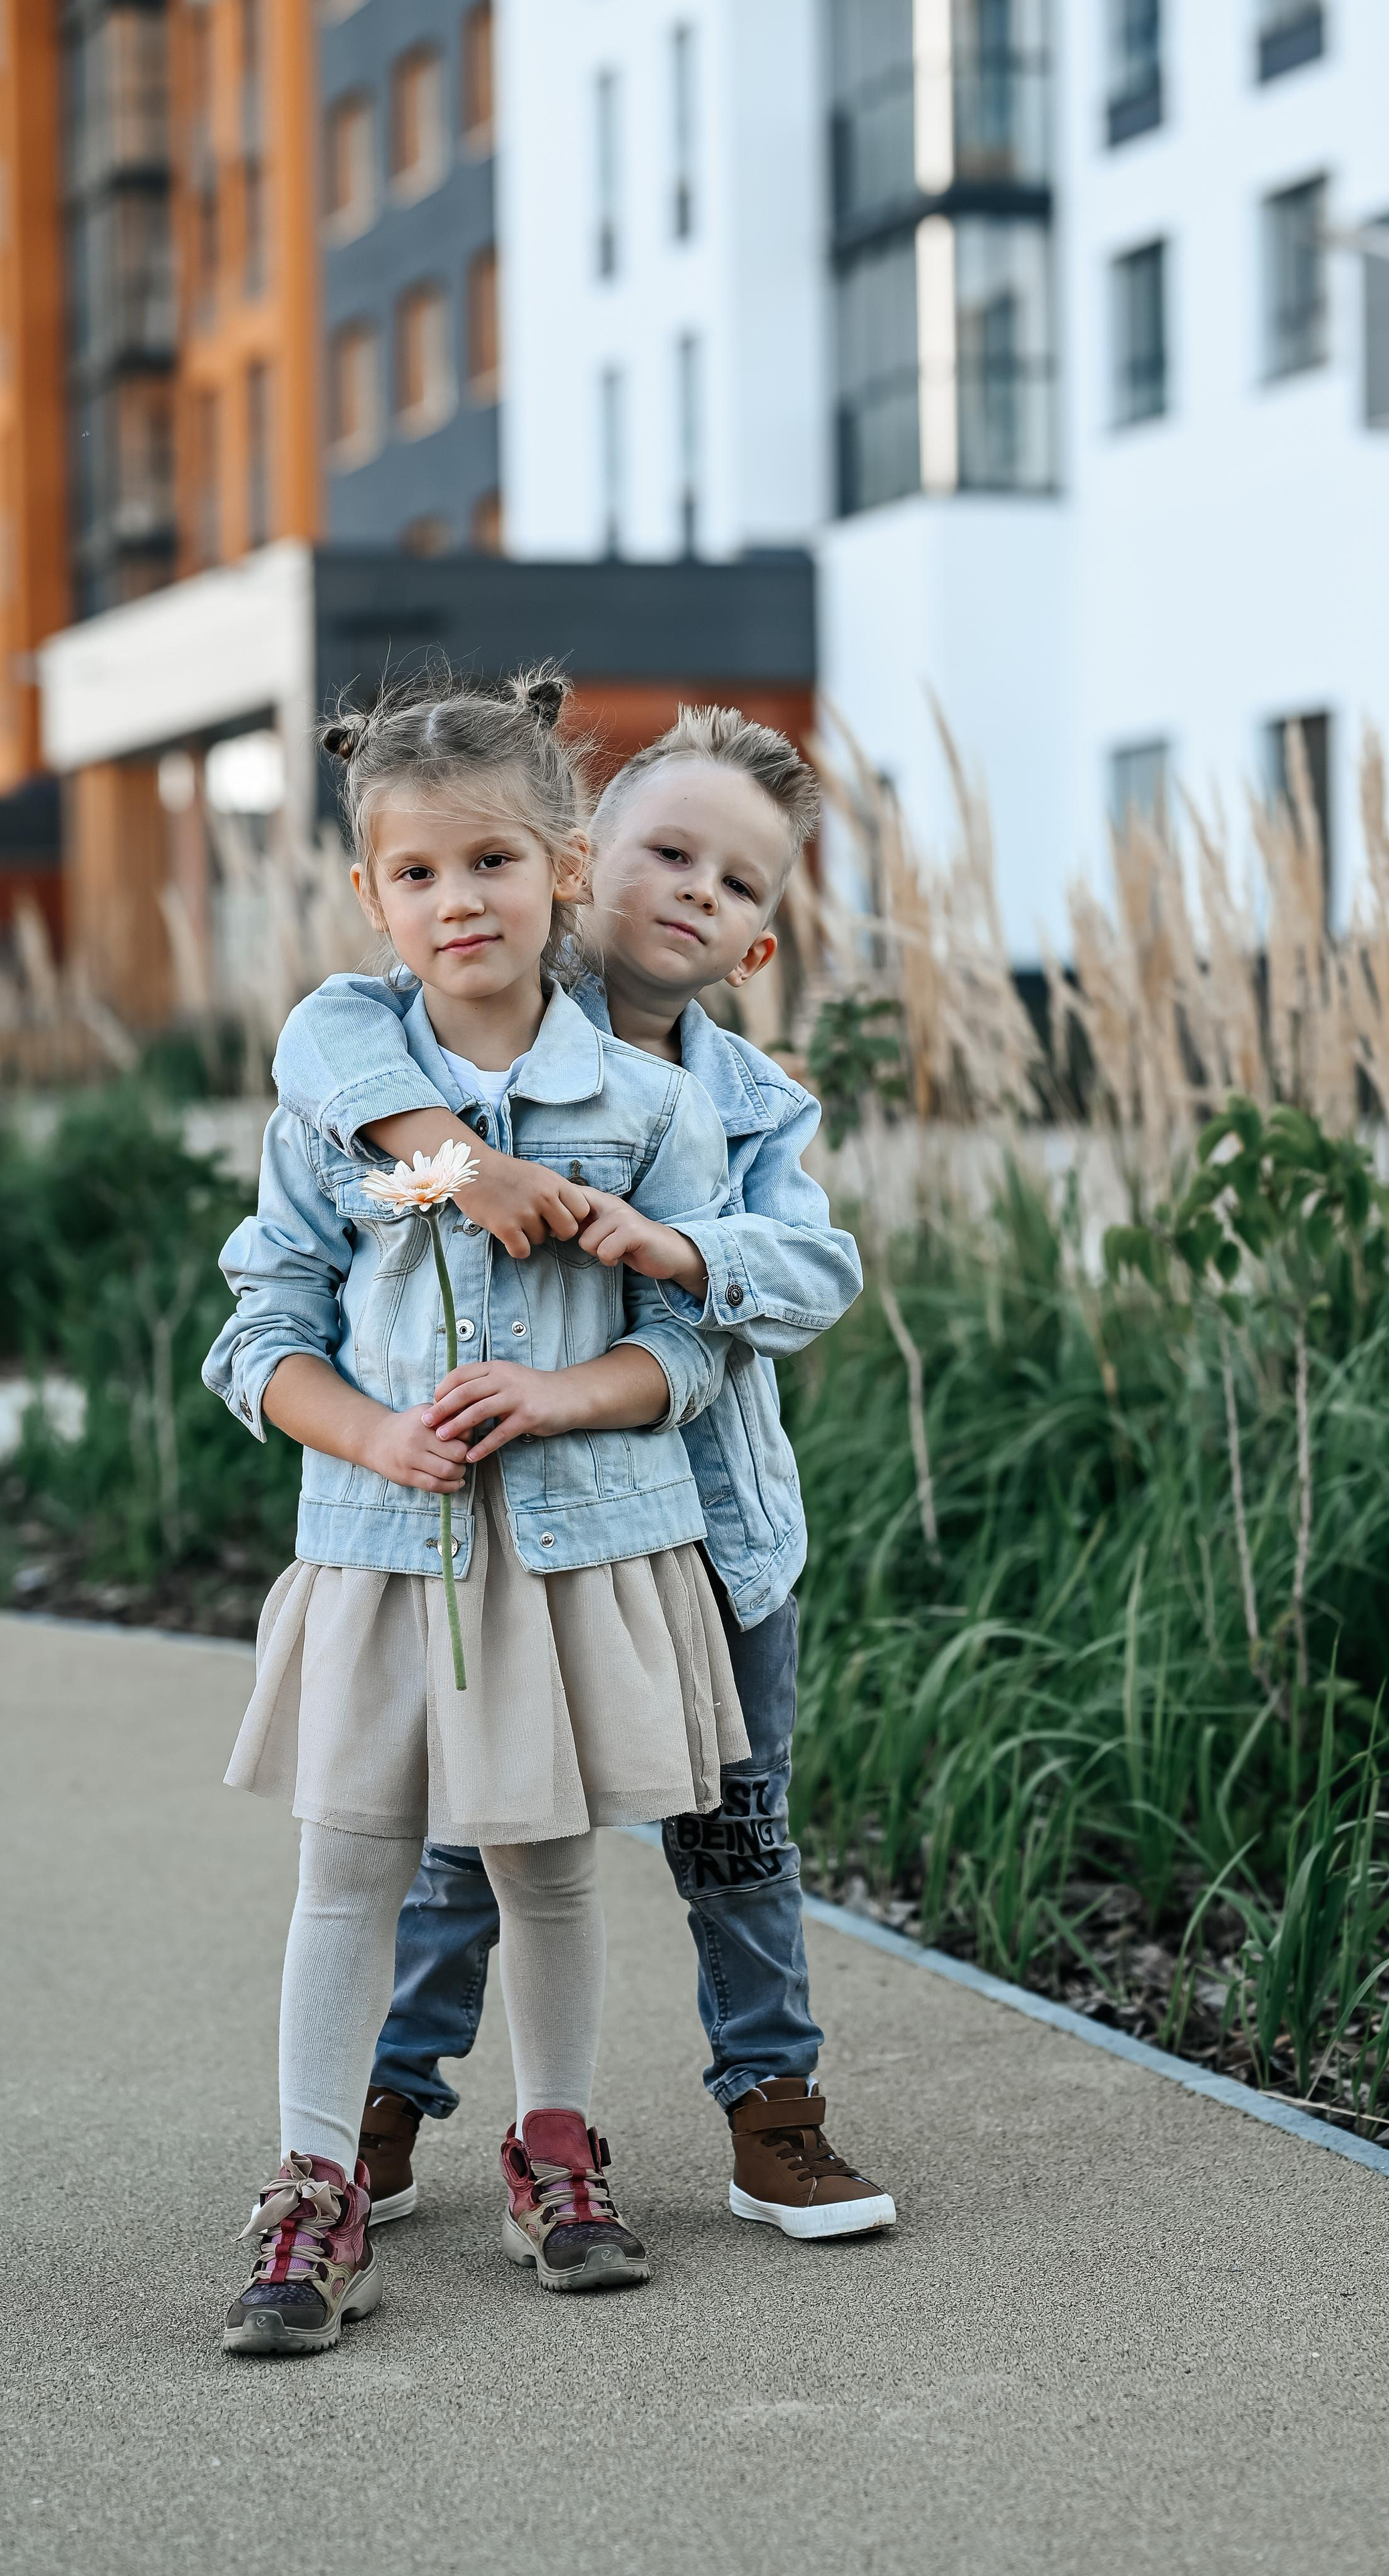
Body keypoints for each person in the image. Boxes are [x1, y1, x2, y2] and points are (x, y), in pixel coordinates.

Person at [270, 702, 898, 2244]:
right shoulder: (421, 1021)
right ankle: (390, 2100)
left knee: (737, 1825)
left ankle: (772, 2114)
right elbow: (322, 1043)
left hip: (705, 1528)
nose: (696, 889)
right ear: (582, 863)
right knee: (457, 1843)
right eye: (665, 850)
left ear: (758, 944)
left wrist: (682, 1248)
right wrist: (457, 1159)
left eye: (739, 885)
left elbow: (814, 1267)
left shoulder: (732, 1104)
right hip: (489, 1530)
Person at [204, 668, 751, 2356]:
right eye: (421, 874)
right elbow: (258, 1333)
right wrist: (371, 1433)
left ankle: (555, 2141)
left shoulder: (650, 1106)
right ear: (373, 896)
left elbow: (695, 1344)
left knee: (548, 1863)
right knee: (349, 1862)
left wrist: (560, 1395)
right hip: (384, 1544)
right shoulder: (339, 1094)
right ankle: (313, 2180)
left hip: (580, 1545)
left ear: (565, 870)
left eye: (497, 864)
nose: (462, 902)